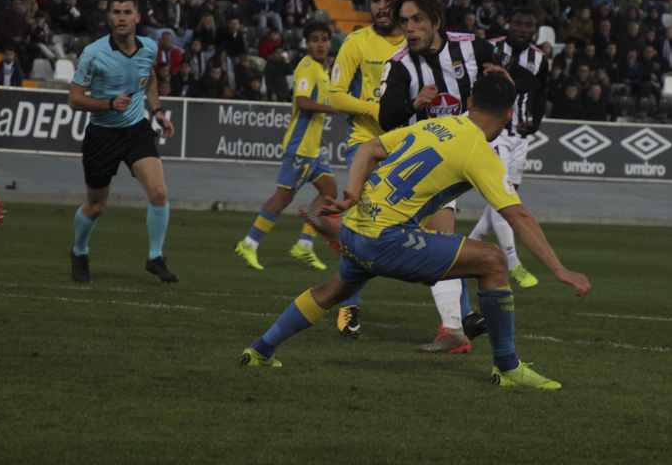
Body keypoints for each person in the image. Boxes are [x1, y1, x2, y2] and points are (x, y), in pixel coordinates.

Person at [240, 74, 592, 390]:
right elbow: (518, 215)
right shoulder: (479, 151)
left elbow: (369, 147)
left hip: (355, 227)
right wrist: (560, 270)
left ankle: (260, 350)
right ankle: (508, 367)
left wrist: (351, 193)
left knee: (334, 289)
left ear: (469, 104)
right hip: (386, 240)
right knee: (494, 261)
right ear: (509, 115)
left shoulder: (437, 125)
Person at [373, 0, 510, 352]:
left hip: (461, 157)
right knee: (416, 241)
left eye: (417, 19)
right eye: (404, 22)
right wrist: (413, 103)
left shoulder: (474, 48)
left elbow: (504, 84)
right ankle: (460, 318)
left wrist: (503, 77)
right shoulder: (400, 64)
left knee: (437, 242)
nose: (410, 28)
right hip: (421, 161)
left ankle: (455, 326)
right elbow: (387, 118)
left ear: (436, 21)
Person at [67, 0, 178, 284]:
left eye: (127, 12)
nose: (121, 17)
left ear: (137, 18)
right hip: (102, 134)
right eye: (116, 12)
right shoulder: (93, 53)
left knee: (158, 192)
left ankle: (155, 257)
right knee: (96, 206)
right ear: (109, 17)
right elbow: (74, 100)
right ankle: (79, 251)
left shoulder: (150, 48)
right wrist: (108, 103)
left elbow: (149, 77)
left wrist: (157, 112)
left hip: (136, 129)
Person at [322, 0, 407, 338]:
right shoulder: (357, 41)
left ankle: (457, 317)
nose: (382, 7)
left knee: (435, 224)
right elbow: (335, 95)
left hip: (410, 147)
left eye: (389, 0)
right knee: (358, 228)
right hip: (365, 146)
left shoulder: (416, 41)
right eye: (376, 0)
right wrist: (379, 112)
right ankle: (348, 307)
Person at [235, 23, 340, 271]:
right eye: (315, 40)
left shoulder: (323, 68)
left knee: (330, 190)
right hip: (300, 148)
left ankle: (303, 245)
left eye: (325, 39)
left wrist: (318, 134)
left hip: (312, 146)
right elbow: (302, 102)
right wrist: (334, 109)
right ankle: (249, 243)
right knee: (283, 196)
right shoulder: (306, 67)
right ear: (306, 44)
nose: (321, 44)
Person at [468, 7, 547, 291]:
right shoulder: (492, 48)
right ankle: (513, 263)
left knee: (501, 199)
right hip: (494, 132)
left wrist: (535, 123)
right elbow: (527, 81)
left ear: (534, 30)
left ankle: (467, 250)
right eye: (518, 22)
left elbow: (540, 89)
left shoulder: (539, 58)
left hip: (519, 139)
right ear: (509, 24)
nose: (523, 28)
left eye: (528, 24)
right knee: (503, 197)